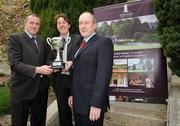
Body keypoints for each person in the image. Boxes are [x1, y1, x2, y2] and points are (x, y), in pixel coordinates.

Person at [7, 14, 53, 126]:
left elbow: (46, 59)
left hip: (40, 90)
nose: (34, 26)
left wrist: (54, 67)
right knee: (19, 122)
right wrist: (37, 70)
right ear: (25, 23)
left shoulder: (42, 41)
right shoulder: (15, 38)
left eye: (37, 24)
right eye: (31, 23)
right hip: (22, 90)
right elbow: (15, 64)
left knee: (39, 122)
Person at [68, 12, 114, 126]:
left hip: (91, 105)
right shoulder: (79, 44)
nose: (82, 26)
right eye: (80, 23)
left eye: (86, 23)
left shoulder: (103, 43)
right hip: (78, 103)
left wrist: (96, 104)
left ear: (94, 25)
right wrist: (72, 93)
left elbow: (103, 76)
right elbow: (77, 72)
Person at [50, 13, 81, 126]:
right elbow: (48, 59)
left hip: (74, 79)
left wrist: (71, 61)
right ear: (56, 26)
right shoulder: (53, 41)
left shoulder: (77, 38)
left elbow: (79, 55)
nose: (61, 24)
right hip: (59, 80)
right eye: (59, 23)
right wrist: (53, 67)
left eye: (64, 22)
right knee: (63, 111)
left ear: (69, 25)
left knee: (78, 109)